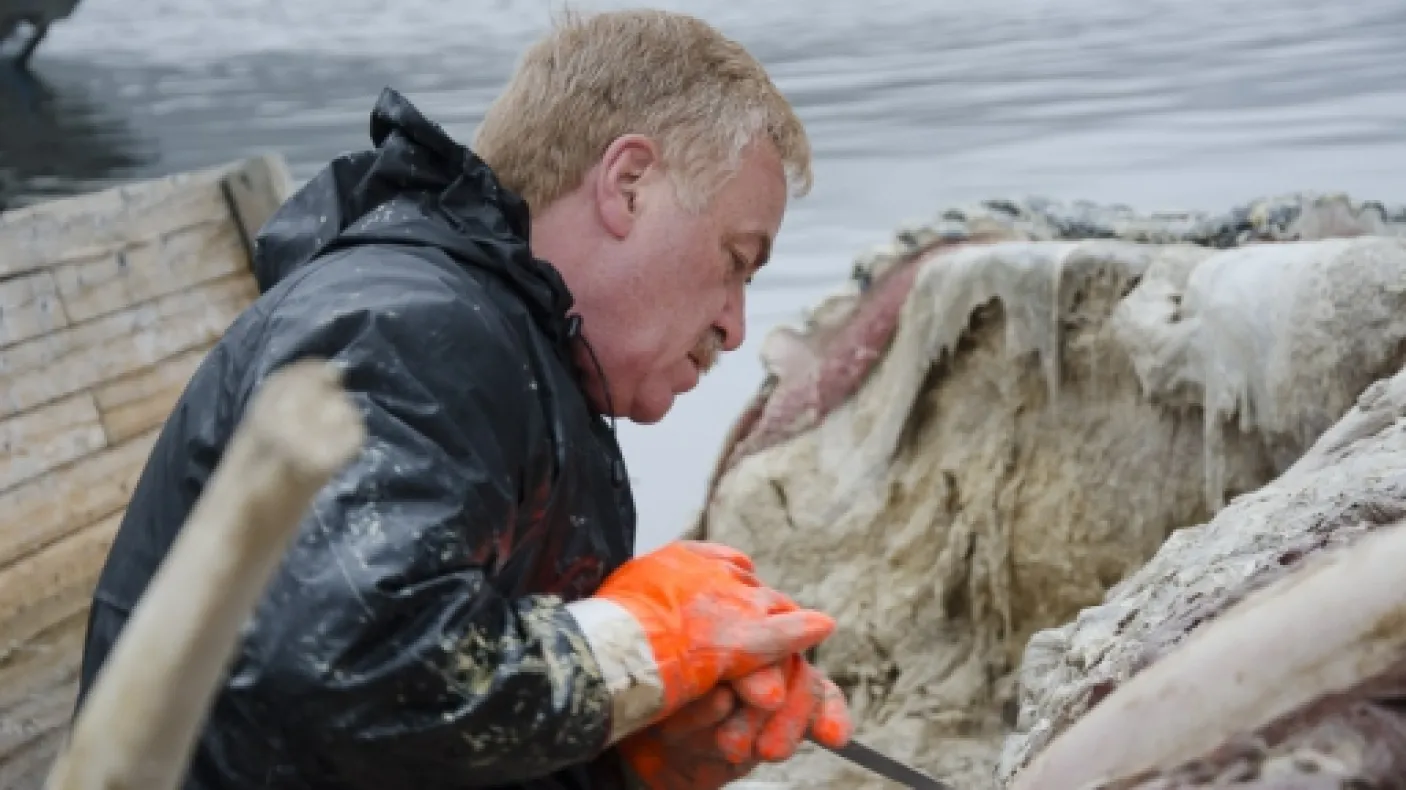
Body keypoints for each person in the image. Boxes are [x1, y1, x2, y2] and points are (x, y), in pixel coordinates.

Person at [74, 8, 853, 790]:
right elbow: (351, 664)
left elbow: (405, 743)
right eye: (735, 259)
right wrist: (645, 639)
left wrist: (631, 760)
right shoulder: (410, 332)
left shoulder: (512, 347)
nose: (735, 324)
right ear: (629, 184)